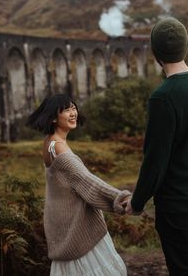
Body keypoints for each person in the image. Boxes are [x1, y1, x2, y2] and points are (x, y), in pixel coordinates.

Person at [125, 17, 188, 275]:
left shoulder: (163, 97)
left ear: (155, 53)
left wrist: (137, 202)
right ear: (186, 47)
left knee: (183, 269)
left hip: (175, 204)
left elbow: (155, 160)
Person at [26, 94, 130, 276]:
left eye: (73, 108)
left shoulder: (50, 143)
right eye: (66, 110)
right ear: (52, 117)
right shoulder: (58, 147)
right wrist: (120, 198)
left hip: (63, 224)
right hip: (76, 228)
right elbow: (86, 181)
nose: (73, 112)